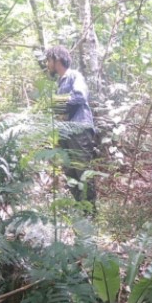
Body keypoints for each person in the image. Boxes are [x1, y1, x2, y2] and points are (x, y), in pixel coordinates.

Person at [45, 45, 97, 209]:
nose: (47, 64)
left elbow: (80, 96)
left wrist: (57, 102)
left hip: (79, 129)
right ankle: (80, 208)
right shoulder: (59, 83)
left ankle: (91, 210)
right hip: (65, 134)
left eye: (48, 60)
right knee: (69, 171)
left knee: (82, 170)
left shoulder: (74, 76)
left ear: (57, 59)